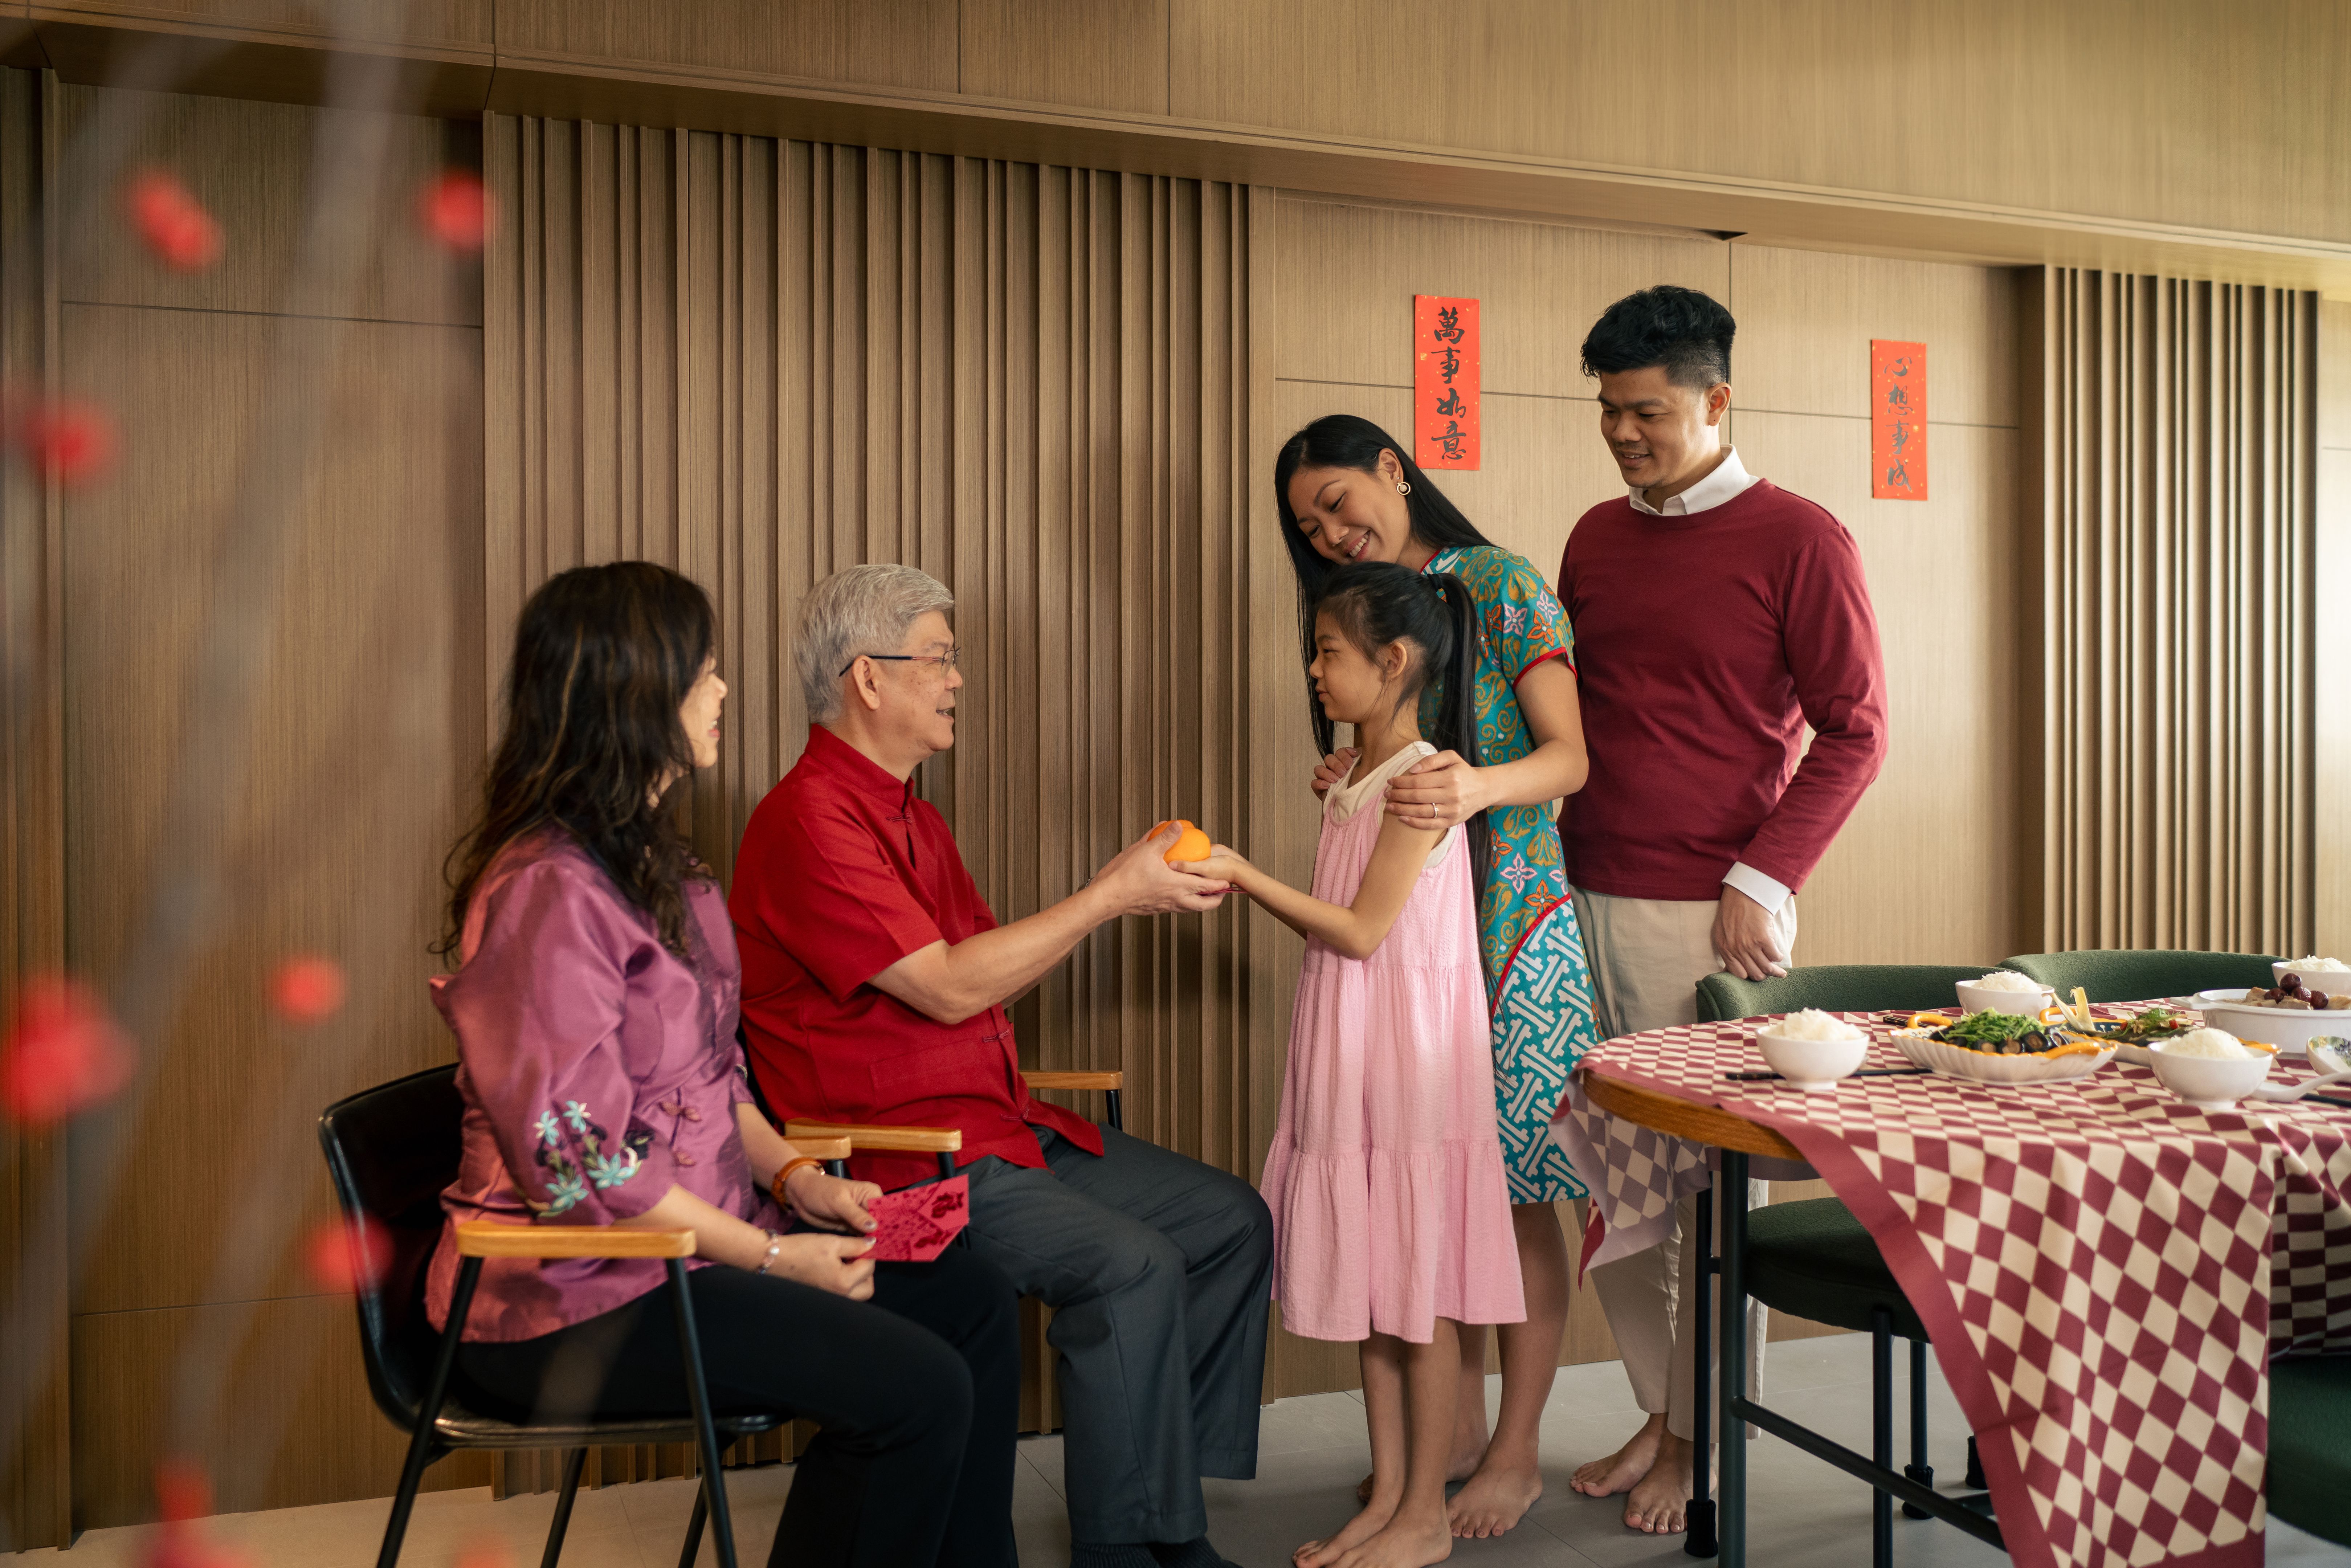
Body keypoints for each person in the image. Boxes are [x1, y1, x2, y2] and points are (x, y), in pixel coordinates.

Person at [426, 562, 1021, 1568]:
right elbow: (581, 1168)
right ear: (636, 696)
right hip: (573, 1297)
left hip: (695, 1247)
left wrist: (796, 1184)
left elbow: (714, 1079)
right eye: (704, 672)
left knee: (973, 1305)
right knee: (915, 1394)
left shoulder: (664, 869)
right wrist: (775, 1257)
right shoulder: (544, 892)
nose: (725, 692)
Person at [730, 563, 1272, 1568]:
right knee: (1131, 1265)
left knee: (1229, 1222)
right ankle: (1137, 1545)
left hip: (1004, 1125)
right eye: (938, 657)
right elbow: (946, 989)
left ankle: (1156, 1494)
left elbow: (987, 971)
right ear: (867, 679)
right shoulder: (808, 821)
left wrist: (1124, 888)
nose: (956, 679)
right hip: (903, 1160)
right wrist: (1109, 894)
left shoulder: (911, 815)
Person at [1556, 285, 1888, 1534]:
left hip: (1714, 909)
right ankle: (1663, 1408)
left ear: (1715, 399)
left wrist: (1767, 874)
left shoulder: (1802, 538)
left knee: (1707, 1189)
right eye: (1608, 413)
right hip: (1576, 891)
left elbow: (1857, 731)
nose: (1624, 434)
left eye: (1645, 412)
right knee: (1605, 1175)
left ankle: (1705, 1436)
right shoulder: (1592, 537)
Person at [1275, 415, 1601, 1539]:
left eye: (1338, 500)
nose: (1331, 530)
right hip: (1413, 937)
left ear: (1393, 471)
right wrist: (1356, 764)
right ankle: (1443, 1438)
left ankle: (1513, 1448)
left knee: (1509, 1193)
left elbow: (1571, 757)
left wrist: (1470, 789)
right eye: (1309, 522)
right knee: (1421, 1183)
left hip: (1509, 918)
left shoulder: (1500, 580)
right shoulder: (1363, 627)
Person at [1189, 563, 1525, 1568]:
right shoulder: (1362, 776)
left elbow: (1365, 929)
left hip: (1405, 1056)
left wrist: (1243, 873)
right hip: (1360, 1043)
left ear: (1393, 662)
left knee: (1414, 1291)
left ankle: (1425, 1514)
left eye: (1330, 653)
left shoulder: (1422, 782)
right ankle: (1391, 1497)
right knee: (1382, 1281)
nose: (1314, 670)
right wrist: (1343, 793)